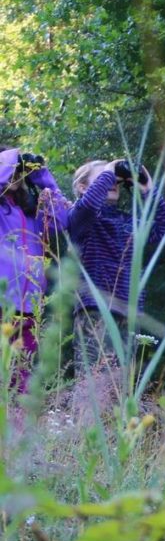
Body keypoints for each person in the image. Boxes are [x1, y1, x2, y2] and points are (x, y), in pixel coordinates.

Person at [67, 158, 165, 402]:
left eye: (115, 179)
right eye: (104, 177)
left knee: (119, 390)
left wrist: (146, 186)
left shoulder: (129, 221)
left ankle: (113, 439)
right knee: (93, 385)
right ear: (83, 186)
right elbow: (89, 206)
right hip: (96, 310)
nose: (113, 181)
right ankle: (84, 437)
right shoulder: (81, 218)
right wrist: (110, 170)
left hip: (128, 311)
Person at [0, 148, 70, 393]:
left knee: (22, 376)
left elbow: (61, 219)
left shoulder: (31, 212)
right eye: (10, 168)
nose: (14, 175)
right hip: (2, 304)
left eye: (19, 171)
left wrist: (42, 176)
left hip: (28, 307)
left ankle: (17, 431)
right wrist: (10, 160)